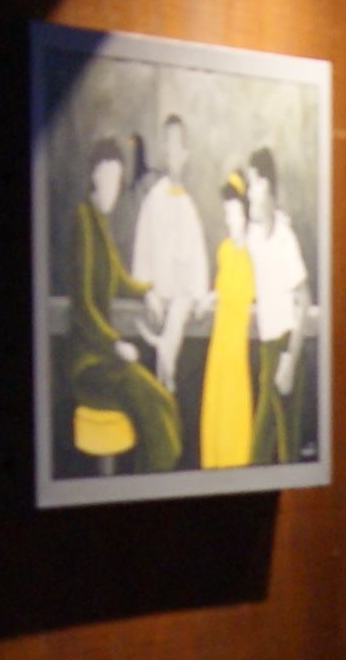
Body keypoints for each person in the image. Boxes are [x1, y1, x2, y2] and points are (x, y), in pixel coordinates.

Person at [63, 135, 180, 473]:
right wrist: (116, 345)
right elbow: (83, 307)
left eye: (119, 179)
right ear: (94, 176)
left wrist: (147, 292)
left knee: (159, 399)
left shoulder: (100, 225)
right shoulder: (83, 222)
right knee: (153, 400)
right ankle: (156, 482)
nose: (115, 187)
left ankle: (157, 479)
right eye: (109, 178)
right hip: (88, 365)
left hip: (104, 358)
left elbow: (119, 278)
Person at [132, 113, 213, 439]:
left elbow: (199, 269)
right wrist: (148, 292)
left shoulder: (190, 208)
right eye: (168, 145)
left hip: (181, 309)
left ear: (186, 153)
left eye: (179, 145)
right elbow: (142, 257)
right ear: (164, 152)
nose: (173, 152)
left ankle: (169, 368)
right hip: (158, 306)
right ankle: (163, 372)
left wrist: (196, 296)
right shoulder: (153, 201)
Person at [242, 147, 309, 464]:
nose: (248, 192)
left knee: (289, 452)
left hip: (285, 350)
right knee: (257, 456)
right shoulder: (252, 236)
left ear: (267, 186)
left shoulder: (285, 238)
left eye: (253, 183)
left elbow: (305, 300)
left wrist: (289, 360)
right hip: (267, 353)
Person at [198, 168, 258, 470]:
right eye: (226, 213)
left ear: (246, 216)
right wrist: (210, 297)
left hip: (235, 350)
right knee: (214, 416)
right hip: (218, 347)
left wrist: (221, 297)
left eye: (234, 213)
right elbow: (221, 291)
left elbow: (242, 295)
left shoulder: (251, 256)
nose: (229, 220)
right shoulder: (224, 252)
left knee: (233, 419)